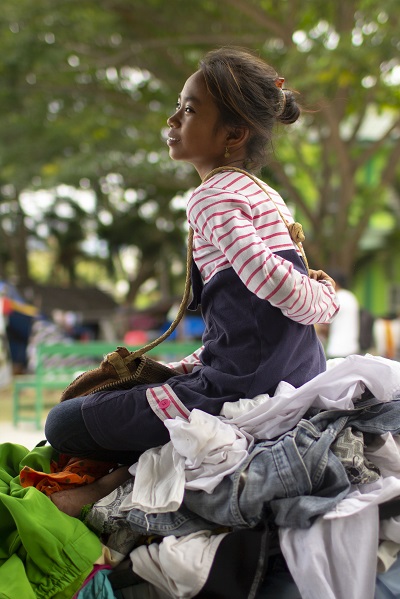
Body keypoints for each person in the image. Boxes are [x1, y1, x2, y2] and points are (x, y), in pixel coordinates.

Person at [45, 47, 339, 515]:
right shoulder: (263, 193)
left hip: (243, 387)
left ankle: (111, 486)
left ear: (233, 134)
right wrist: (184, 367)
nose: (173, 118)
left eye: (189, 109)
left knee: (63, 423)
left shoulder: (212, 197)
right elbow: (250, 322)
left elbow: (283, 292)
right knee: (118, 396)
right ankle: (119, 480)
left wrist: (326, 297)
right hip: (292, 372)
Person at [323, 270, 360, 359]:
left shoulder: (335, 297)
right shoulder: (351, 297)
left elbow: (323, 324)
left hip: (336, 350)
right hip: (352, 349)